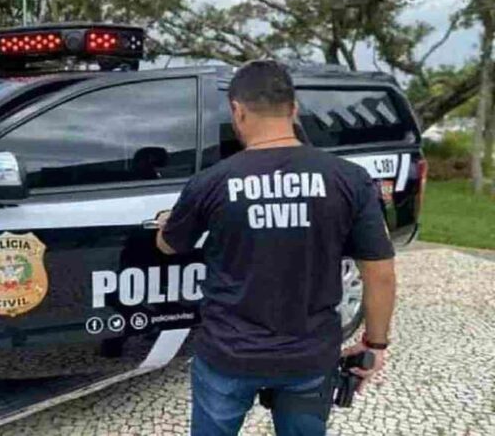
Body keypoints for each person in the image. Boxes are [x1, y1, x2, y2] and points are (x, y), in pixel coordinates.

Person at [155, 60, 397, 436]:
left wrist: (166, 222)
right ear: (293, 109)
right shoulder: (349, 179)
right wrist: (374, 343)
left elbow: (169, 246)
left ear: (237, 110)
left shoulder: (211, 182)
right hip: (309, 358)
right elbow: (380, 273)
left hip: (228, 354)